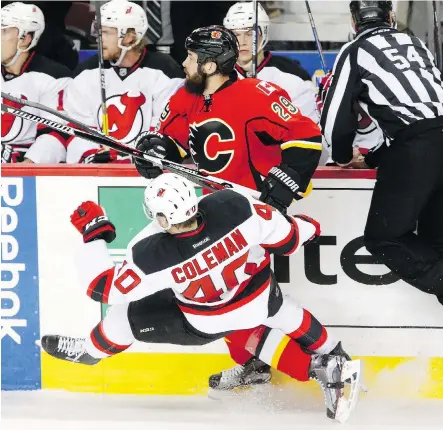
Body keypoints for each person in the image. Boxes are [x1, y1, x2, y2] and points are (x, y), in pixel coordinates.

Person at [41, 173, 361, 422]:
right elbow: (290, 238)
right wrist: (311, 227)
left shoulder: (154, 254)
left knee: (124, 317)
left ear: (164, 219)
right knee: (284, 313)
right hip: (259, 296)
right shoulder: (236, 206)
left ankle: (90, 351)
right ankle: (334, 355)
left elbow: (102, 287)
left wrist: (94, 234)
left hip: (206, 320)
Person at [133, 25, 324, 391]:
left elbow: (305, 135)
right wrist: (155, 152)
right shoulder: (186, 96)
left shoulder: (257, 94)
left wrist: (282, 185)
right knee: (221, 298)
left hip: (250, 216)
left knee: (229, 302)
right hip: (213, 212)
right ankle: (259, 363)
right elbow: (174, 144)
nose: (184, 61)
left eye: (191, 57)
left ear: (209, 65)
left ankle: (322, 363)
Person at [320, 1, 443, 300]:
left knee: (382, 238)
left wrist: (343, 156)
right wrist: (375, 157)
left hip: (418, 147)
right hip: (428, 140)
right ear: (391, 17)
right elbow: (422, 111)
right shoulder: (415, 43)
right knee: (435, 240)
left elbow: (334, 118)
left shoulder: (354, 52)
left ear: (353, 23)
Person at [62, 0, 184, 164]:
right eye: (98, 32)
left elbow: (165, 130)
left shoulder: (165, 71)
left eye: (106, 33)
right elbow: (78, 129)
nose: (99, 39)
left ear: (130, 37)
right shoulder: (85, 72)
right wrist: (91, 155)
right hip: (96, 173)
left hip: (149, 171)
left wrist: (134, 159)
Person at [223, 1, 318, 123]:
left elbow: (309, 129)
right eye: (235, 35)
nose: (242, 42)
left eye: (250, 34)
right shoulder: (218, 74)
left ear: (264, 33)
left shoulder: (293, 75)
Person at [1, 2, 71, 164]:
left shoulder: (54, 77)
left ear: (25, 38)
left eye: (4, 31)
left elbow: (56, 135)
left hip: (25, 166)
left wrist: (25, 168)